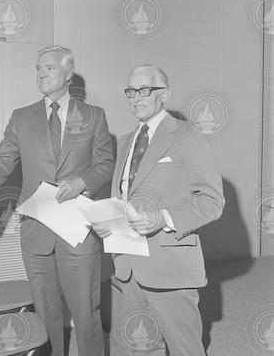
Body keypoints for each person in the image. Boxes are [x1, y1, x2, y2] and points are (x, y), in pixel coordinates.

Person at [0, 45, 114, 356]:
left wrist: (83, 181)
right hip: (36, 231)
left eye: (49, 68)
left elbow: (105, 164)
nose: (41, 73)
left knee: (85, 314)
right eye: (38, 68)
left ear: (68, 73)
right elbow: (2, 160)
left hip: (78, 233)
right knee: (45, 316)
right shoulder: (22, 117)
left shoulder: (94, 116)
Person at [92, 64, 225, 356]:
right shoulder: (126, 141)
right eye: (131, 91)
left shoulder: (189, 137)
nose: (136, 97)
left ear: (164, 95)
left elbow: (213, 201)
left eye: (145, 90)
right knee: (137, 346)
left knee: (184, 348)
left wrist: (164, 218)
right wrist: (109, 224)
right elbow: (124, 199)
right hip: (127, 267)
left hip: (169, 266)